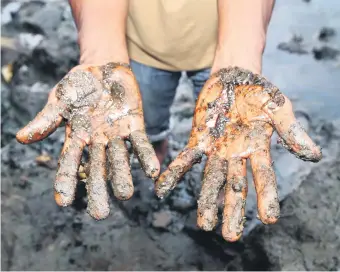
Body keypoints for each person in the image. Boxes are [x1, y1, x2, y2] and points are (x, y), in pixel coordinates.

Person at [16, 0, 322, 242]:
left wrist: (239, 60)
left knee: (222, 135)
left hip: (220, 44)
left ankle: (210, 180)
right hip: (140, 46)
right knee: (143, 118)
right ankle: (157, 144)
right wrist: (102, 52)